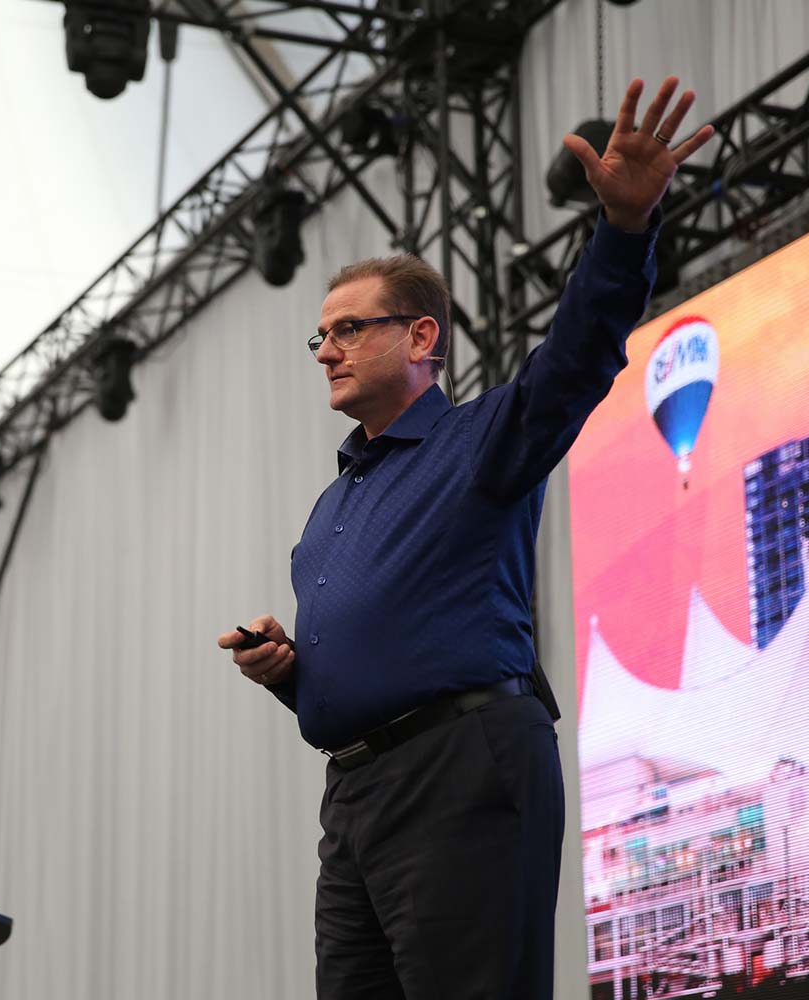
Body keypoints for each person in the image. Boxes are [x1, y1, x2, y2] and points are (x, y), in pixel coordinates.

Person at [218, 77, 713, 999]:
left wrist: (625, 231)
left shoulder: (479, 439)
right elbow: (375, 665)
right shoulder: (331, 510)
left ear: (420, 337)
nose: (326, 349)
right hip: (355, 796)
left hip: (461, 769)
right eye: (319, 336)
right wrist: (291, 674)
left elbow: (577, 355)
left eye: (348, 330)